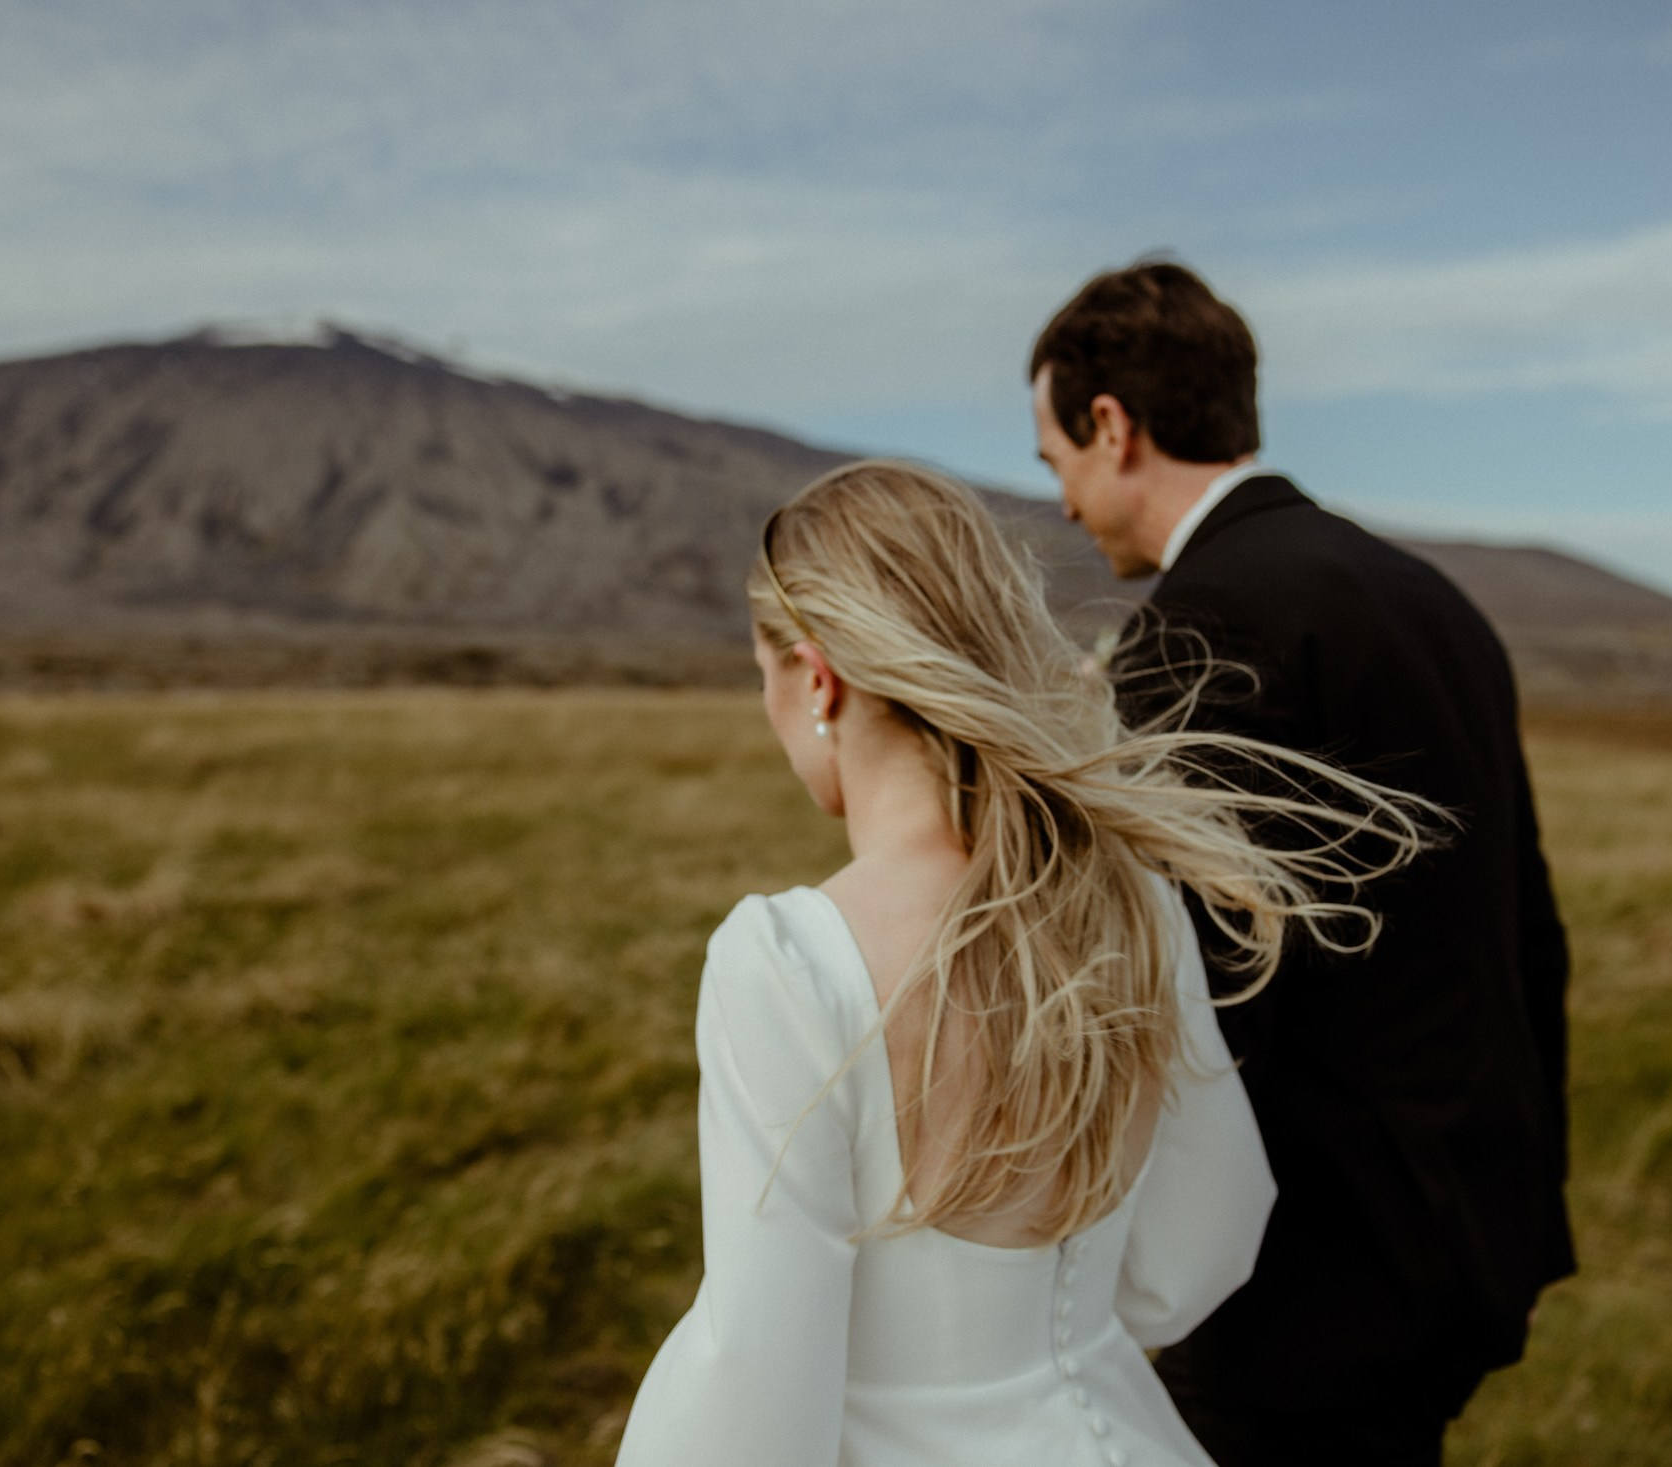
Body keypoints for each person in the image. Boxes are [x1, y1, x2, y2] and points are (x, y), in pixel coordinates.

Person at [615, 461, 1427, 1467]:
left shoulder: (788, 963)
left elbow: (755, 1384)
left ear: (816, 678)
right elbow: (1197, 1246)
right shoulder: (1130, 904)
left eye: (764, 676)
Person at [1028, 260, 1576, 1465]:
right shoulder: (1434, 600)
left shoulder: (1200, 629)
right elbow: (1526, 935)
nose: (1063, 502)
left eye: (1052, 460)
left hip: (1309, 1287)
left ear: (1110, 427)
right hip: (1468, 1232)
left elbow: (1206, 1003)